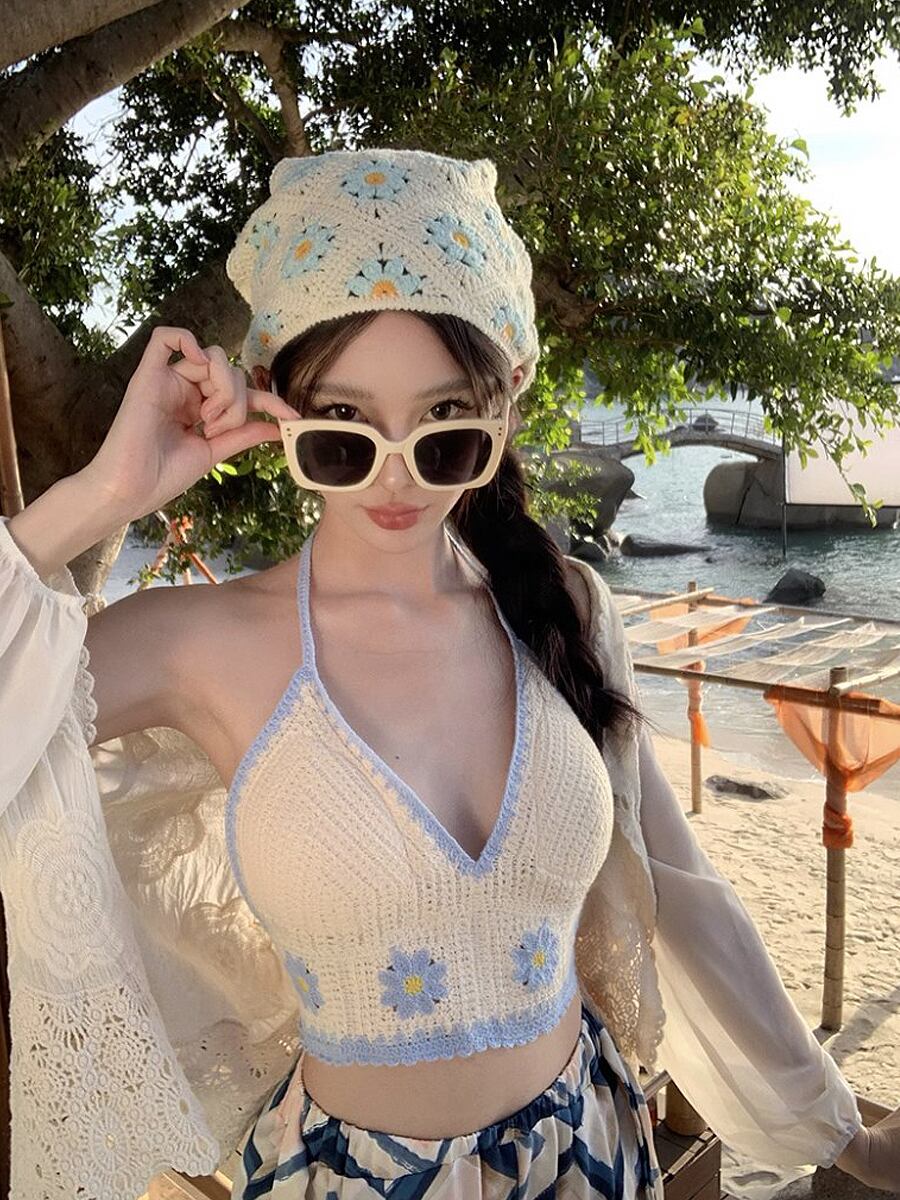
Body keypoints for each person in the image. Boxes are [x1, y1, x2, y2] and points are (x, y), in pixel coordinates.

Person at [1, 148, 897, 1200]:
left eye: (446, 434)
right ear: (276, 409)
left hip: (593, 1152)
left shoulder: (562, 607)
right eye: (343, 434)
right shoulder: (199, 641)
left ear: (506, 402)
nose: (395, 478)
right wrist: (103, 496)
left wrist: (837, 1131)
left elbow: (679, 887)